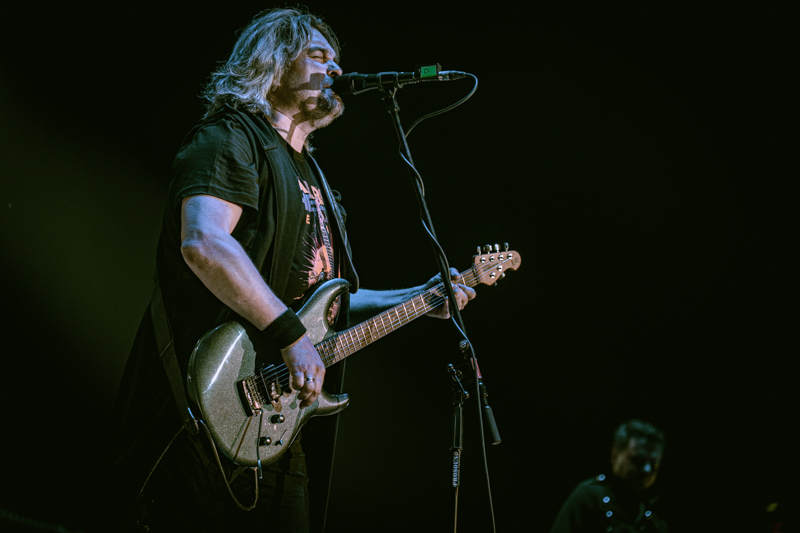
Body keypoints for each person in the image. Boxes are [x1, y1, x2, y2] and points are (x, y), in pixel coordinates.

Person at [108, 7, 475, 532]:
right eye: (319, 56)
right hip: (199, 407)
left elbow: (329, 303)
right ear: (273, 63)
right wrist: (289, 333)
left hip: (276, 426)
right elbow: (205, 242)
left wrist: (418, 299)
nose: (336, 70)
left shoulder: (318, 180)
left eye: (338, 60)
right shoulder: (231, 138)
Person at [550, 419, 669, 533]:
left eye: (653, 463)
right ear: (614, 456)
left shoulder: (654, 513)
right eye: (638, 460)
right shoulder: (589, 497)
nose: (646, 470)